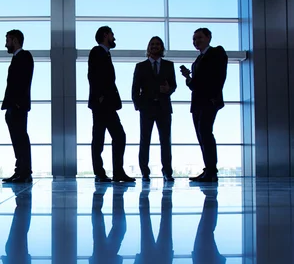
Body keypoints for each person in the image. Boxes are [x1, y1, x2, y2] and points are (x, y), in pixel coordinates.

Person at [180, 28, 228, 182]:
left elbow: (219, 76)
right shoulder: (197, 61)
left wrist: (214, 96)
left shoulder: (217, 52)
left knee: (205, 133)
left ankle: (212, 171)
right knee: (202, 135)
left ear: (208, 37)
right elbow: (195, 85)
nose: (196, 41)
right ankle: (209, 169)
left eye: (199, 38)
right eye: (194, 39)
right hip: (198, 103)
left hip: (209, 101)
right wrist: (188, 77)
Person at [88, 26, 135, 183]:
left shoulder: (106, 54)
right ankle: (104, 172)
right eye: (112, 35)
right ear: (105, 35)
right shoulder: (97, 52)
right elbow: (92, 75)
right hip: (102, 103)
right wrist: (99, 96)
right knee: (106, 137)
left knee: (111, 136)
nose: (114, 38)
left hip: (106, 103)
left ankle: (113, 172)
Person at [132, 36, 177, 182]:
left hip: (163, 108)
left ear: (162, 47)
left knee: (165, 141)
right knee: (145, 141)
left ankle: (167, 172)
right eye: (152, 44)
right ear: (148, 47)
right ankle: (145, 172)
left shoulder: (169, 65)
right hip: (146, 108)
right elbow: (135, 89)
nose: (155, 46)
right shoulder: (140, 66)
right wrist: (139, 106)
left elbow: (173, 85)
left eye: (157, 44)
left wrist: (168, 89)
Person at [1, 29, 34, 184]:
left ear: (14, 40)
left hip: (18, 105)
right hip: (13, 105)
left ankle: (25, 172)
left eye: (7, 40)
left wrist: (17, 103)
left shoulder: (24, 56)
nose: (6, 43)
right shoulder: (16, 58)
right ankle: (20, 170)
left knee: (20, 138)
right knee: (17, 139)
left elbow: (23, 81)